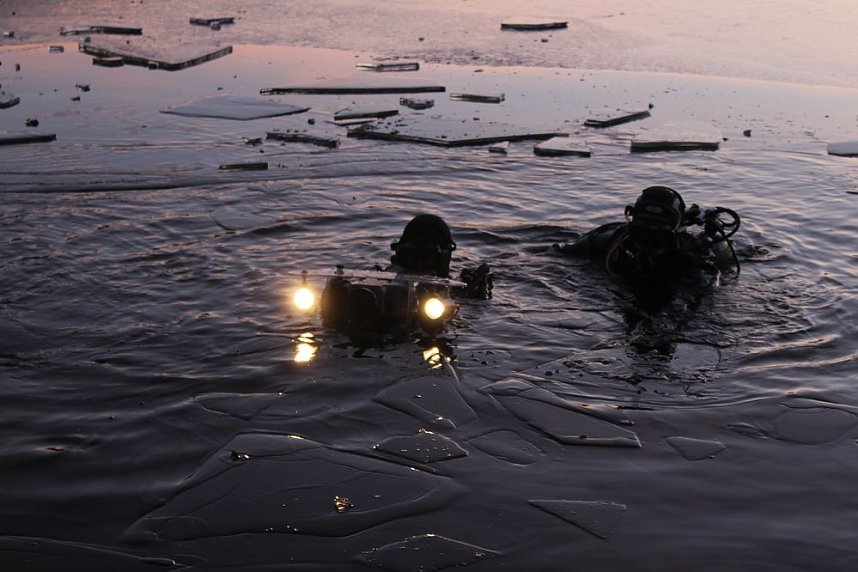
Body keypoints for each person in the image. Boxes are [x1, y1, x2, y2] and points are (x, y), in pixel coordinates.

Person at [557, 186, 740, 305]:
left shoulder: (689, 253)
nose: (649, 245)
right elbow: (559, 253)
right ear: (631, 226)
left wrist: (687, 271)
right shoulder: (609, 242)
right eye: (642, 234)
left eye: (660, 237)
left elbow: (713, 287)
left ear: (675, 234)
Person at [387, 214, 493, 299]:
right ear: (400, 254)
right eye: (411, 254)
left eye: (427, 255)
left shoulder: (452, 289)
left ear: (444, 258)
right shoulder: (388, 278)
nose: (418, 263)